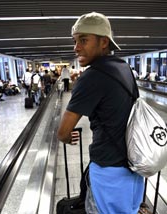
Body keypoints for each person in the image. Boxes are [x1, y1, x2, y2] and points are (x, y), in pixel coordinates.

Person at [57, 12, 144, 214]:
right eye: (75, 40)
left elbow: (62, 132)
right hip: (134, 167)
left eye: (83, 40)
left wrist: (68, 138)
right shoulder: (124, 68)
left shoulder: (92, 77)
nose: (76, 47)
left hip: (109, 173)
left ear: (104, 42)